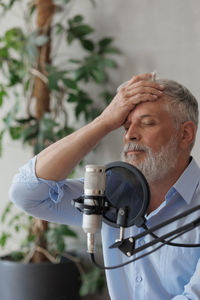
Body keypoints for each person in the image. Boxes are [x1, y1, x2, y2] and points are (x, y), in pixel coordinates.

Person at [9, 72, 200, 300]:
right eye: (124, 126)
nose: (130, 135)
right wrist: (104, 122)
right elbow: (27, 194)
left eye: (147, 123)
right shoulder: (110, 193)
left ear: (185, 134)